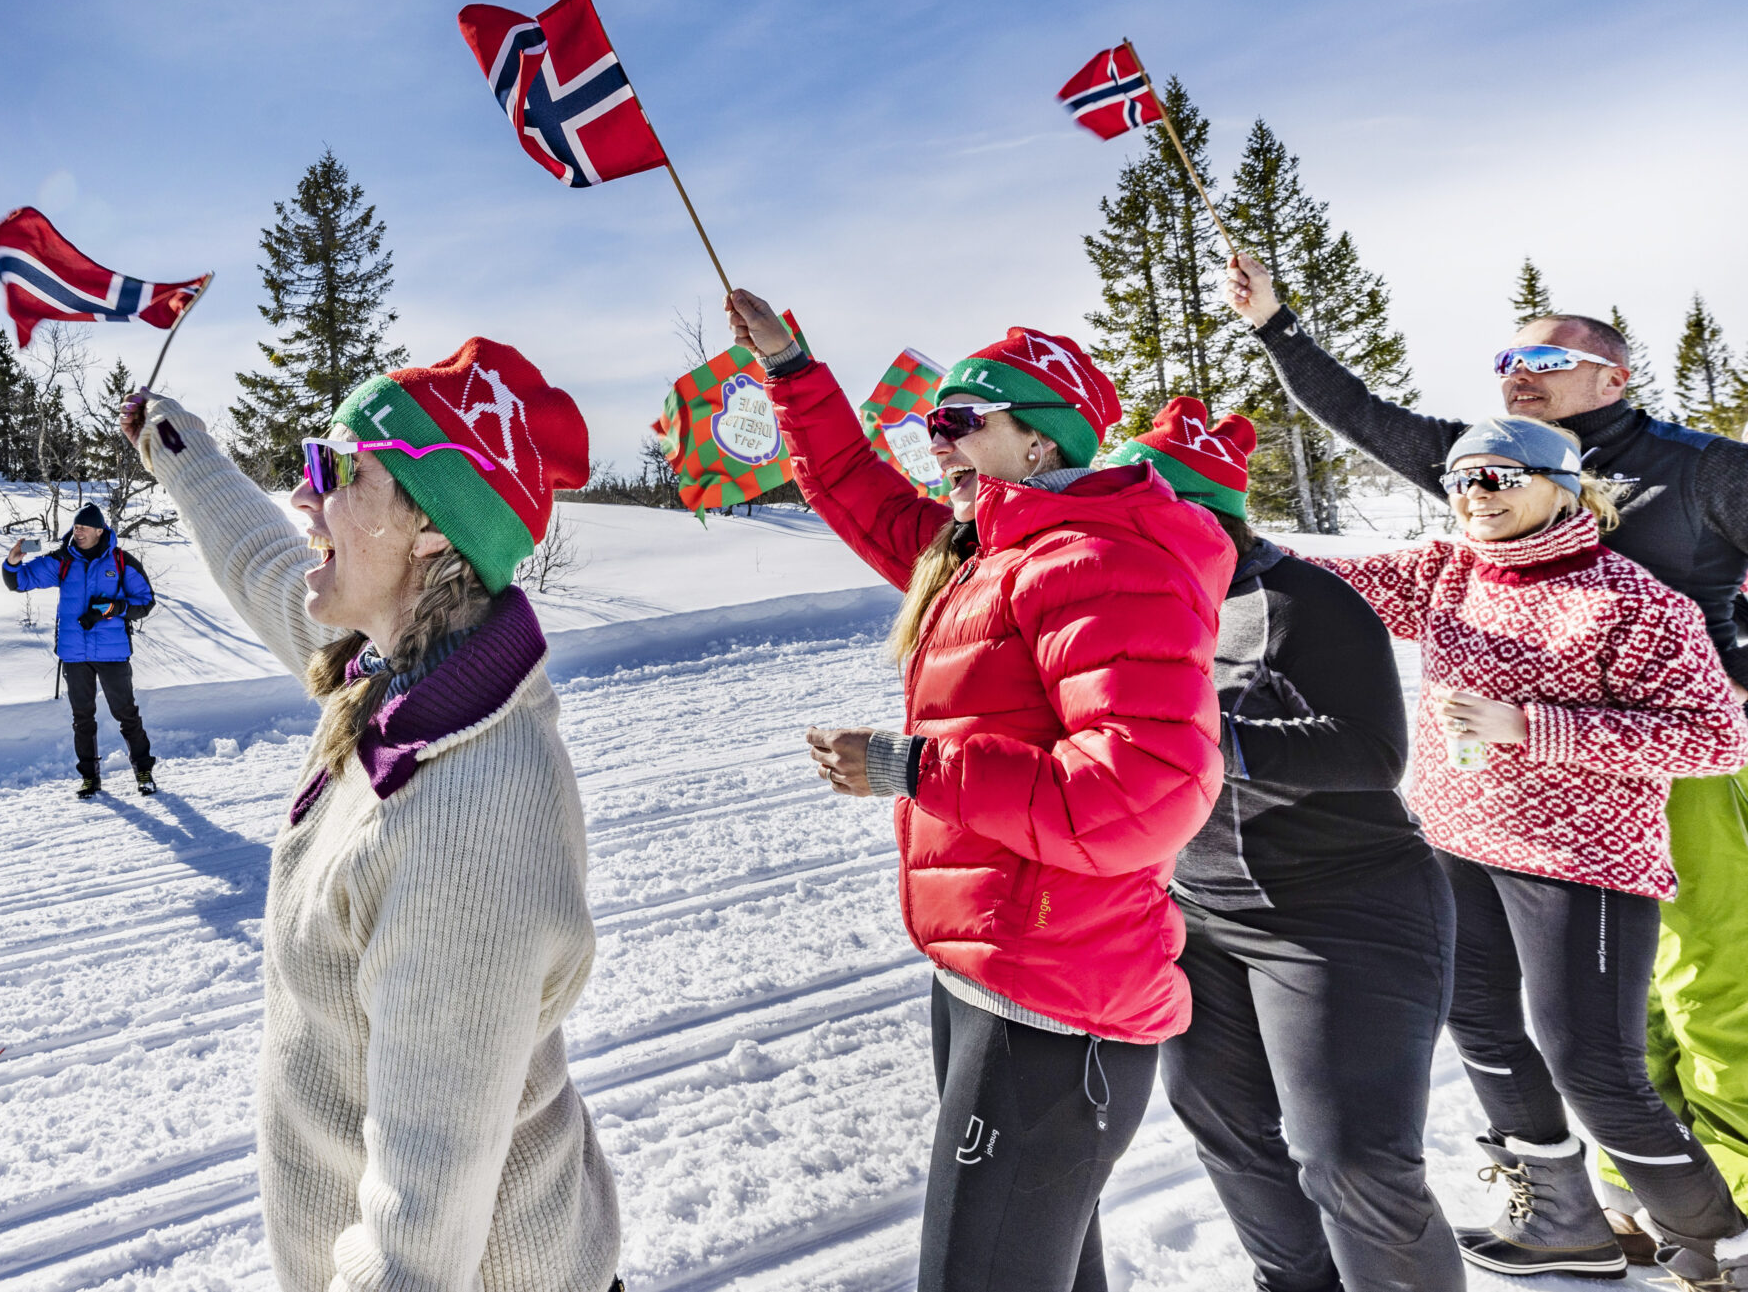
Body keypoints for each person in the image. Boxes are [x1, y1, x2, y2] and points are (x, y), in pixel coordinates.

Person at [1229, 257, 1748, 1255]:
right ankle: (1606, 1204)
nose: (1516, 370)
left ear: (1612, 377)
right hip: (1492, 811)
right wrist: (1276, 326)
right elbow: (1362, 418)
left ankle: (1729, 1191)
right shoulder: (1485, 473)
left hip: (1686, 767)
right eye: (1507, 355)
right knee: (1583, 1018)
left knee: (1706, 978)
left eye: (1545, 356)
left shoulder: (1703, 470)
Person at [731, 295, 1231, 1292]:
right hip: (986, 976)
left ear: (1040, 442)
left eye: (962, 421)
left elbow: (1145, 792)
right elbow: (856, 490)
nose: (938, 440)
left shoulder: (1098, 561)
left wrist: (913, 765)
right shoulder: (987, 553)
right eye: (932, 422)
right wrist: (790, 366)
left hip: (1055, 1005)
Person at [119, 337, 621, 1292]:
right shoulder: (403, 666)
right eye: (316, 459)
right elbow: (271, 568)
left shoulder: (470, 821)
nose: (305, 496)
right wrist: (176, 447)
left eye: (339, 472)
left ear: (433, 530)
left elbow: (415, 1247)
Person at [1311, 416, 1748, 1285]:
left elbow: (1714, 738)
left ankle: (1723, 1248)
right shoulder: (1443, 573)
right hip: (1455, 841)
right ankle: (1561, 1220)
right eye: (1463, 477)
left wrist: (1532, 726)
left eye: (1501, 475)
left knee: (1592, 1066)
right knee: (1478, 1028)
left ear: (1564, 484)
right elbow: (1316, 580)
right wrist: (1189, 516)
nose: (1477, 494)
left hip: (1580, 864)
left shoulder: (1634, 601)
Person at [1106, 399, 1462, 1292]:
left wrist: (1202, 735)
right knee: (1229, 1131)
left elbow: (1372, 752)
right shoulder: (1135, 603)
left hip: (1345, 909)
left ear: (1188, 511)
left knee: (1351, 1157)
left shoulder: (1306, 600)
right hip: (1204, 911)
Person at [3, 501, 160, 798]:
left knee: (126, 714)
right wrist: (13, 561)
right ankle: (89, 777)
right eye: (75, 527)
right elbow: (19, 581)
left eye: (84, 528)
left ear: (100, 530)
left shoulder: (121, 562)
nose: (78, 532)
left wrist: (116, 608)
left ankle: (143, 771)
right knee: (82, 718)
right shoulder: (63, 561)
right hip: (74, 654)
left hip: (112, 654)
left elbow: (146, 602)